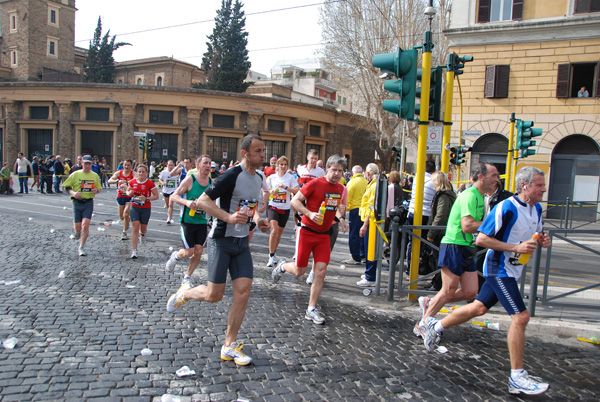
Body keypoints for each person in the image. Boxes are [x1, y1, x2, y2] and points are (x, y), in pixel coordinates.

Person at [422, 167, 551, 395]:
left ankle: (435, 325)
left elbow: (534, 233)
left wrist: (542, 239)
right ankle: (517, 378)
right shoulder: (506, 207)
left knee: (479, 307)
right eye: (539, 185)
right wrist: (515, 247)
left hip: (513, 268)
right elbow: (481, 239)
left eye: (543, 184)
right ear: (525, 186)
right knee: (521, 317)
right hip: (498, 268)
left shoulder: (537, 209)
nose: (544, 188)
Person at [166, 134, 269, 366]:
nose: (262, 155)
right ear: (245, 153)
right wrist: (229, 217)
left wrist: (259, 219)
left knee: (243, 293)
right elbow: (203, 201)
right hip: (221, 241)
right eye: (258, 152)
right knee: (214, 295)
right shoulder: (231, 175)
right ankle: (185, 293)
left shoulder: (260, 176)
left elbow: (251, 206)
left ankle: (229, 346)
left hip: (242, 244)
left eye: (263, 151)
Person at [415, 163, 499, 338]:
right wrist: (494, 225)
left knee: (470, 292)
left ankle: (431, 302)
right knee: (448, 291)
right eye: (494, 175)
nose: (497, 179)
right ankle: (423, 325)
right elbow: (467, 225)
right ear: (481, 177)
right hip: (454, 245)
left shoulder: (480, 196)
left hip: (467, 247)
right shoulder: (470, 195)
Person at [271, 155, 348, 325]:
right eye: (334, 170)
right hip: (307, 231)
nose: (336, 173)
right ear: (327, 169)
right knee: (300, 271)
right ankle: (282, 266)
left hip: (324, 235)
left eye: (340, 171)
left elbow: (333, 208)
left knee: (320, 272)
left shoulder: (341, 189)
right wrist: (309, 213)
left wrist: (341, 218)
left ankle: (311, 309)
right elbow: (295, 201)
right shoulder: (315, 183)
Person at [166, 155, 212, 285]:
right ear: (198, 165)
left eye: (209, 163)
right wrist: (186, 202)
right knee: (189, 251)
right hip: (187, 222)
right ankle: (176, 256)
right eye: (205, 163)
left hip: (202, 222)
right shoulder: (190, 180)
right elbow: (174, 196)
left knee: (198, 251)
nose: (208, 166)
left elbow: (212, 202)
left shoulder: (210, 183)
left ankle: (187, 276)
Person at [422, 172, 456, 293]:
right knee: (437, 258)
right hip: (443, 230)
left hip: (440, 232)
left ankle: (438, 284)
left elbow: (440, 216)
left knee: (437, 259)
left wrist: (431, 233)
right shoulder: (447, 194)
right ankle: (436, 281)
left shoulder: (443, 196)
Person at [62, 155, 102, 256]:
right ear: (82, 163)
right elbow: (66, 186)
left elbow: (99, 188)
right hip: (77, 202)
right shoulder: (75, 174)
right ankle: (76, 232)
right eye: (85, 163)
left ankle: (82, 247)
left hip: (88, 202)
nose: (87, 165)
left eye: (89, 163)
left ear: (92, 164)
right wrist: (73, 193)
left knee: (85, 225)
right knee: (78, 227)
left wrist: (96, 190)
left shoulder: (94, 175)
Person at [265, 156, 299, 267]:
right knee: (274, 230)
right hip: (273, 206)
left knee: (279, 233)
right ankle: (270, 256)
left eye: (285, 164)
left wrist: (286, 188)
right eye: (281, 164)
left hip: (284, 208)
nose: (283, 166)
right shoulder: (271, 177)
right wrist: (272, 192)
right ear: (277, 165)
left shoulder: (290, 178)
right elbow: (265, 191)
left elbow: (297, 190)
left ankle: (274, 252)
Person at [406, 160, 437, 271]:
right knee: (425, 242)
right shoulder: (433, 182)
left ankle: (410, 268)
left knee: (412, 242)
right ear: (434, 170)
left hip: (413, 212)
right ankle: (422, 267)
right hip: (426, 214)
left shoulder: (417, 179)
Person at [125, 164, 159, 259]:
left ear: (146, 173)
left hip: (145, 208)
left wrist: (147, 199)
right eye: (139, 171)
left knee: (143, 229)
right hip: (134, 207)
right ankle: (134, 250)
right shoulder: (132, 182)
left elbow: (156, 196)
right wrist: (129, 193)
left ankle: (143, 234)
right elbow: (127, 191)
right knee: (135, 227)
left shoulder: (149, 183)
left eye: (143, 172)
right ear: (137, 172)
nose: (141, 173)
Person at [356, 163, 380, 287]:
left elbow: (372, 207)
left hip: (371, 222)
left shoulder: (374, 185)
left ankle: (370, 277)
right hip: (368, 219)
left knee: (370, 249)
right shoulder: (372, 184)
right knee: (368, 248)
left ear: (369, 173)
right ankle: (369, 274)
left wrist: (365, 225)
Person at [342, 165, 368, 265]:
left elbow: (347, 199)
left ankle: (355, 257)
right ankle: (363, 255)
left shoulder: (352, 182)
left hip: (355, 210)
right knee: (363, 234)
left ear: (352, 173)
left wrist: (345, 210)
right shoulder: (366, 182)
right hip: (364, 210)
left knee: (354, 234)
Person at [107, 159, 136, 240]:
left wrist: (128, 182)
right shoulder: (118, 173)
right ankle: (126, 222)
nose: (126, 166)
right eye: (125, 165)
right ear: (123, 165)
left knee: (126, 214)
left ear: (131, 166)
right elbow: (109, 181)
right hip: (120, 196)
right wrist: (117, 181)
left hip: (129, 197)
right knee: (122, 216)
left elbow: (137, 180)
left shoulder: (133, 173)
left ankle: (124, 232)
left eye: (128, 165)